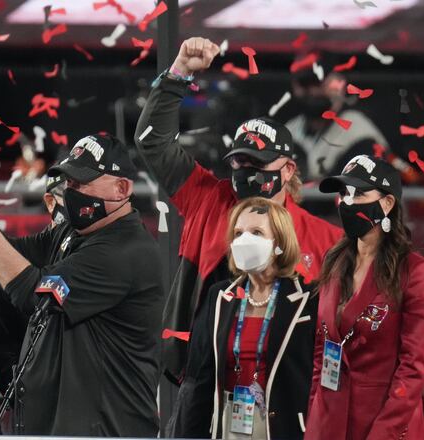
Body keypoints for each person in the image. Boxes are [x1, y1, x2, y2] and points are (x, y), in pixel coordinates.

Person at [0, 133, 166, 436]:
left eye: (81, 182)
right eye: (69, 182)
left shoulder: (126, 251)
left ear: (122, 188)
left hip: (108, 429)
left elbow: (35, 295)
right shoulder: (71, 233)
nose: (71, 191)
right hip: (65, 425)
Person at [134, 36, 342, 383]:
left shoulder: (324, 239)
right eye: (240, 162)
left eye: (258, 163)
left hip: (285, 390)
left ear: (288, 170)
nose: (247, 173)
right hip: (205, 380)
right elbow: (152, 141)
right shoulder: (208, 199)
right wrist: (179, 73)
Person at [168, 197, 316, 439]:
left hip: (283, 426)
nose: (244, 240)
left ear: (279, 241)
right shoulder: (219, 296)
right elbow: (200, 377)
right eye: (238, 233)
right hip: (226, 423)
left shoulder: (309, 299)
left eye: (256, 232)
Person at [305, 155, 424, 440]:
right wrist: (315, 418)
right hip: (329, 425)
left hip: (385, 427)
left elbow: (413, 370)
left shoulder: (416, 273)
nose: (347, 202)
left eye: (359, 193)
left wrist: (382, 434)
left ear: (387, 204)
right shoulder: (334, 263)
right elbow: (321, 354)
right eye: (343, 193)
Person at [0, 171, 66, 393]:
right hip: (34, 409)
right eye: (71, 194)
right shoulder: (9, 266)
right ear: (50, 202)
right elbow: (0, 350)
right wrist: (27, 397)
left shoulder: (104, 257)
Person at [286, 55, 390, 181]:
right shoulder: (291, 129)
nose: (313, 91)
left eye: (319, 82)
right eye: (305, 83)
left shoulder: (359, 133)